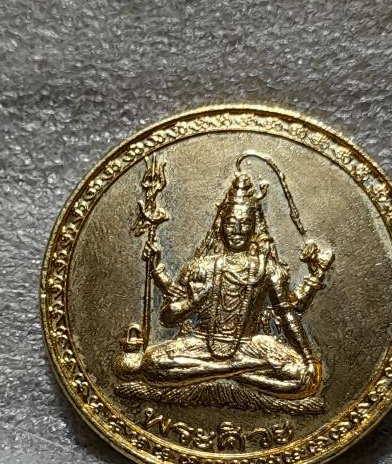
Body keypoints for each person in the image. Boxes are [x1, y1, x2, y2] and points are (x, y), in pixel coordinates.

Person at [114, 171, 332, 400]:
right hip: (201, 346)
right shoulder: (199, 267)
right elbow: (167, 318)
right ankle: (236, 372)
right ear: (220, 224)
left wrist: (308, 358)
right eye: (231, 223)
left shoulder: (267, 269)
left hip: (249, 347)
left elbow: (287, 314)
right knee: (153, 363)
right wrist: (191, 303)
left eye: (245, 223)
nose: (237, 231)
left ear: (254, 227)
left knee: (303, 377)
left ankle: (215, 374)